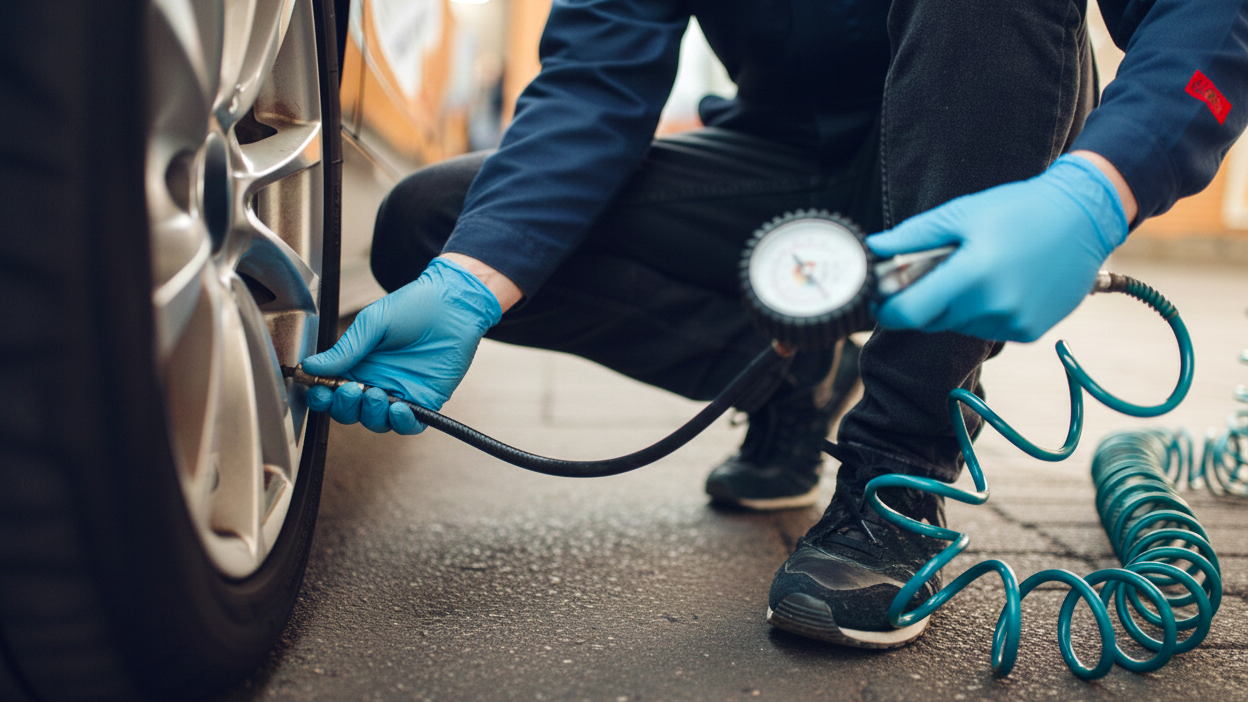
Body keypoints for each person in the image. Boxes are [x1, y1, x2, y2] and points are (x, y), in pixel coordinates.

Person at [304, 0, 1248, 649]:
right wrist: (471, 282)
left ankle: (899, 471)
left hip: (980, 136)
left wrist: (1101, 188)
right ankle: (792, 378)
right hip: (782, 160)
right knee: (434, 222)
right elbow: (592, 86)